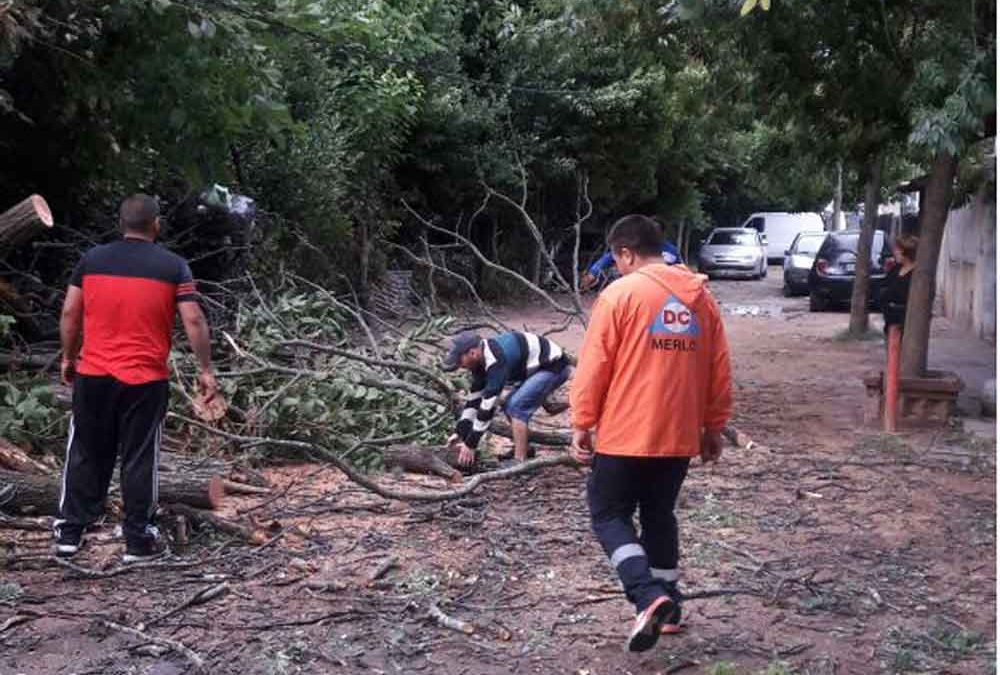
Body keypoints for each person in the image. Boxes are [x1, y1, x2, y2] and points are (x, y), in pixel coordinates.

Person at [569, 214, 731, 652]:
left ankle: (647, 595)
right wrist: (713, 427)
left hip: (626, 432)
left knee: (608, 514)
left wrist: (581, 423)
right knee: (660, 513)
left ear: (624, 253)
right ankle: (670, 609)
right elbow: (719, 369)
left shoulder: (619, 295)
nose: (616, 267)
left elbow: (594, 368)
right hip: (679, 436)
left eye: (617, 259)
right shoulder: (702, 298)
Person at [55, 194, 218, 562]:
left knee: (84, 451)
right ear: (156, 225)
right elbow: (193, 320)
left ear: (121, 224)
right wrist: (206, 370)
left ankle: (69, 533)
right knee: (139, 457)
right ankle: (137, 540)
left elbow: (69, 312)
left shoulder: (91, 260)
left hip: (93, 373)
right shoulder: (173, 266)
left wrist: (67, 356)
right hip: (144, 380)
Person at [443, 331, 571, 464]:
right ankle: (525, 449)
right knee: (508, 405)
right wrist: (460, 433)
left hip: (554, 367)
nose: (459, 366)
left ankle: (519, 460)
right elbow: (474, 400)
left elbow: (488, 407)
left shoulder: (495, 362)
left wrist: (471, 444)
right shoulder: (479, 362)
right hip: (533, 369)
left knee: (516, 407)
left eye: (459, 360)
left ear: (472, 353)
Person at [581, 235, 683, 290]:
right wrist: (593, 273)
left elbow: (679, 270)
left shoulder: (671, 250)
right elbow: (608, 258)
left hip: (661, 290)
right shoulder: (634, 246)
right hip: (633, 288)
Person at [880, 234, 919, 336]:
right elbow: (884, 287)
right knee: (893, 350)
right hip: (891, 321)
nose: (894, 253)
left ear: (905, 251)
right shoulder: (895, 269)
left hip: (907, 321)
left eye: (897, 250)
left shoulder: (917, 274)